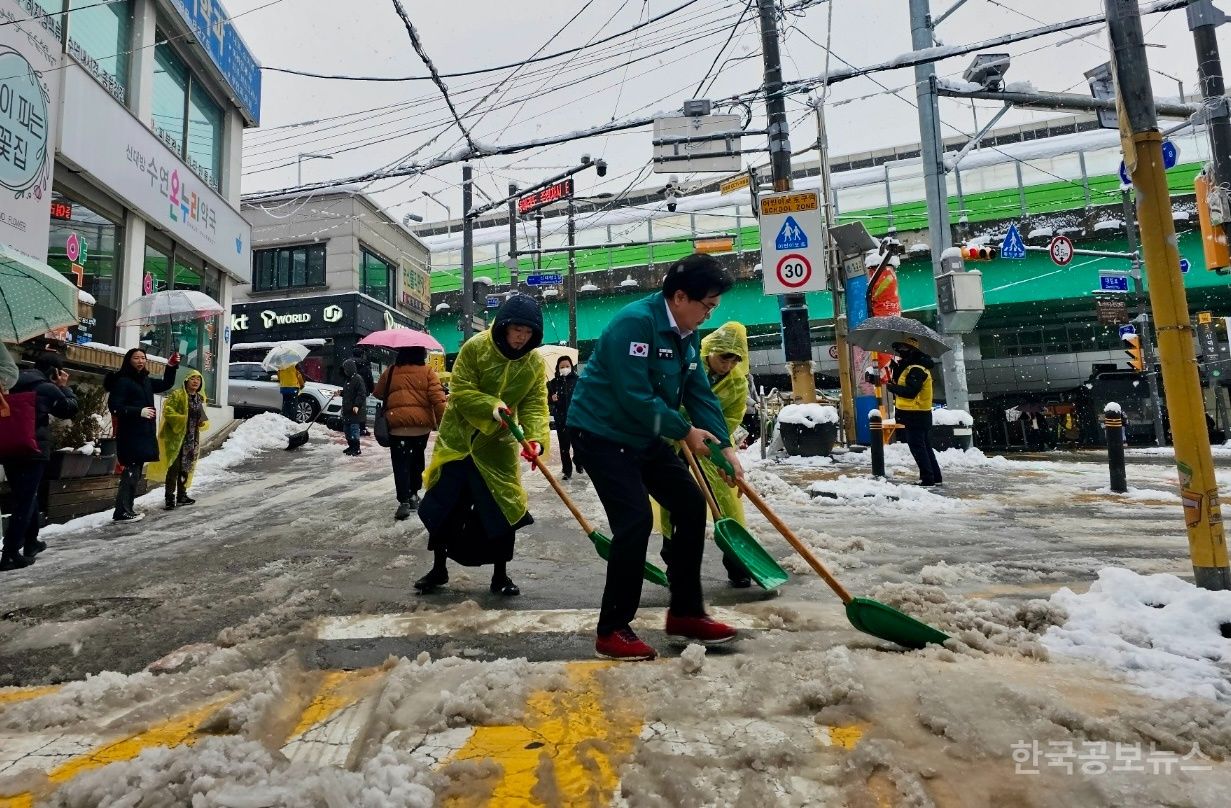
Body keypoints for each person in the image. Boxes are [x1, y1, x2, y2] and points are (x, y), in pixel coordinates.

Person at [567, 253, 745, 661]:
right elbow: (634, 396)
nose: (708, 314)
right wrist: (683, 431)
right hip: (601, 432)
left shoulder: (686, 336)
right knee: (635, 520)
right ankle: (612, 629)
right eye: (707, 305)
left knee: (688, 502)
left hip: (643, 434)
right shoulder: (636, 323)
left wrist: (725, 449)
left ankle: (685, 612)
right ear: (680, 297)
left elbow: (698, 393)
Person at [414, 294, 549, 598]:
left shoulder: (533, 364)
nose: (521, 338)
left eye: (528, 333)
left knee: (501, 509)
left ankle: (500, 575)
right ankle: (438, 569)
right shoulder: (476, 348)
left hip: (497, 445)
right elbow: (460, 391)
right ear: (504, 326)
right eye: (517, 330)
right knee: (446, 506)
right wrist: (491, 406)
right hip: (459, 441)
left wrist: (536, 441)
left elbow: (535, 404)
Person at [659, 322, 755, 588]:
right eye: (725, 357)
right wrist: (683, 428)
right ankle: (674, 564)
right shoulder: (687, 366)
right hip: (674, 440)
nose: (729, 365)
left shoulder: (737, 383)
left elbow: (731, 417)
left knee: (727, 503)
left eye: (735, 360)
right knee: (676, 505)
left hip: (712, 444)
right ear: (710, 351)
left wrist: (713, 441)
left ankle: (738, 564)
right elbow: (668, 400)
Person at [1, 353, 77, 569]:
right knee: (24, 501)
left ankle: (31, 542)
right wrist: (64, 387)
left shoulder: (10, 382)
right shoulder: (45, 387)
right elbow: (70, 409)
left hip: (9, 447)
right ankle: (10, 553)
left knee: (26, 494)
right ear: (54, 371)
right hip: (33, 450)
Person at [373, 346, 447, 520]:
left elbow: (378, 393)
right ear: (421, 355)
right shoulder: (428, 372)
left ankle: (404, 501)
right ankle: (414, 494)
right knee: (417, 460)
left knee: (400, 463)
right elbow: (438, 399)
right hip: (421, 427)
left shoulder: (391, 371)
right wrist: (444, 422)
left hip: (397, 426)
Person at [107, 348, 179, 521]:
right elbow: (114, 406)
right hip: (130, 433)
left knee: (136, 472)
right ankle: (122, 510)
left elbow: (165, 384)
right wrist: (138, 411)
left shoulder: (144, 380)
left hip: (143, 433)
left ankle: (126, 508)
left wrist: (170, 366)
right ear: (128, 360)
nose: (140, 361)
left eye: (143, 358)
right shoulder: (123, 381)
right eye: (136, 358)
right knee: (131, 472)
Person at [881, 338, 942, 487]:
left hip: (915, 414)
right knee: (924, 446)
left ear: (910, 350)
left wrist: (892, 388)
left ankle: (928, 479)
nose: (899, 353)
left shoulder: (916, 368)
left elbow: (910, 392)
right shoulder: (913, 367)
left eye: (902, 350)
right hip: (918, 413)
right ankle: (935, 477)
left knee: (918, 447)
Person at [147, 369, 210, 510]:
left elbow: (202, 416)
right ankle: (169, 497)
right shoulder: (177, 395)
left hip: (192, 439)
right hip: (176, 438)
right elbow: (168, 411)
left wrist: (202, 422)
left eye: (198, 379)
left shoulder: (199, 398)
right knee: (174, 468)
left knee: (185, 467)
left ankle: (182, 495)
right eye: (192, 378)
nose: (195, 381)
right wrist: (182, 419)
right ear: (186, 380)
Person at [546, 355, 582, 480]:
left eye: (567, 366)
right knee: (564, 447)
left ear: (571, 367)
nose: (565, 368)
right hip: (561, 420)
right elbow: (548, 402)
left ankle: (578, 461)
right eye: (562, 367)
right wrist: (551, 399)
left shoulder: (579, 380)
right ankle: (567, 470)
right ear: (558, 368)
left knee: (578, 445)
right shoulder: (553, 384)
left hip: (576, 419)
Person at [340, 358, 368, 456]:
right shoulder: (348, 380)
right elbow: (348, 393)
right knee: (347, 430)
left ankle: (356, 448)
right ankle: (351, 446)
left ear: (350, 368)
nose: (344, 371)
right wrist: (340, 393)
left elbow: (361, 394)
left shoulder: (358, 379)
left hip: (354, 411)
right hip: (347, 410)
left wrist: (356, 405)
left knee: (354, 430)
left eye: (346, 369)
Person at [352, 348, 376, 436]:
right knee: (361, 410)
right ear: (361, 355)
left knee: (350, 409)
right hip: (362, 391)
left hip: (350, 391)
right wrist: (371, 389)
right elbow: (370, 379)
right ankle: (361, 428)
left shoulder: (348, 364)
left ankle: (350, 426)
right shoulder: (365, 365)